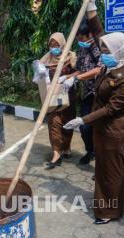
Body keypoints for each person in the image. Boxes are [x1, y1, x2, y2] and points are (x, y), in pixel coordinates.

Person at [64, 0, 124, 225]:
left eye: (106, 50)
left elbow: (111, 108)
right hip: (101, 129)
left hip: (113, 130)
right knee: (105, 169)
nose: (102, 52)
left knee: (111, 171)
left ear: (116, 50)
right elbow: (99, 34)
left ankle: (109, 211)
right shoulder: (116, 59)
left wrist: (82, 119)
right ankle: (107, 204)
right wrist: (90, 7)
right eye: (103, 48)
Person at [62, 20, 102, 165]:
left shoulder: (98, 47)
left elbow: (98, 69)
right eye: (78, 38)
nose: (80, 41)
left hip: (98, 94)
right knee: (84, 127)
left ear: (90, 34)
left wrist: (77, 78)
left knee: (96, 127)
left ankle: (100, 160)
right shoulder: (82, 49)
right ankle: (90, 151)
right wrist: (67, 77)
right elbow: (79, 69)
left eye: (82, 38)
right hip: (86, 93)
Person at [40, 33, 77, 169]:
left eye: (56, 45)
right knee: (54, 123)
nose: (54, 47)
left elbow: (80, 72)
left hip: (69, 96)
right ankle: (56, 153)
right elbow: (40, 78)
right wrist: (38, 75)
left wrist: (69, 77)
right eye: (51, 45)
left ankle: (66, 148)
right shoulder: (45, 59)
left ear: (62, 44)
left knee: (68, 122)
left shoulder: (71, 57)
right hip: (52, 98)